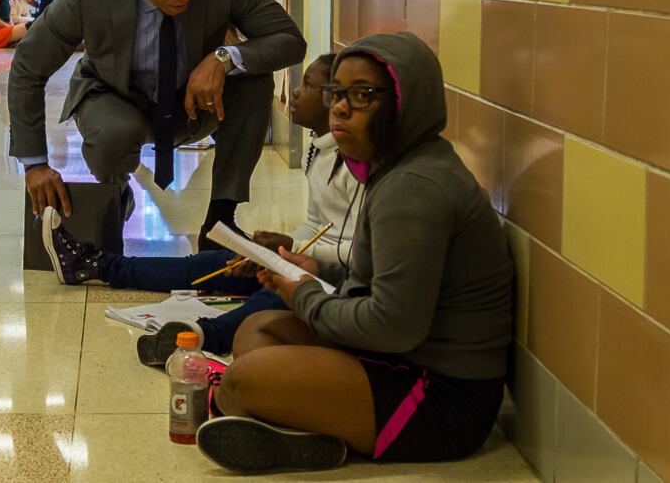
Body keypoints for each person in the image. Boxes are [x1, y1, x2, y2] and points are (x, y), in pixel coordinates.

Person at [194, 32, 514, 475]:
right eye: (337, 93)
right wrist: (315, 268)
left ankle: (319, 435)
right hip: (404, 359)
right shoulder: (402, 168)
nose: (340, 108)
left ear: (405, 103)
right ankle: (315, 436)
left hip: (441, 400)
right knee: (257, 330)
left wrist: (305, 292)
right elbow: (384, 286)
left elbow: (391, 327)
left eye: (363, 96)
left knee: (242, 380)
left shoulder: (413, 189)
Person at [9, 0, 306, 250]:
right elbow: (28, 66)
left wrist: (223, 58)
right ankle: (116, 193)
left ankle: (221, 220)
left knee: (254, 80)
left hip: (191, 103)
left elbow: (289, 39)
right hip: (115, 96)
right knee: (115, 133)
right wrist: (35, 165)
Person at [40, 54, 361, 362]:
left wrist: (294, 254)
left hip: (341, 281)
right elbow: (316, 224)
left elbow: (362, 254)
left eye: (307, 85)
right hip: (308, 263)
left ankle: (205, 335)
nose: (294, 91)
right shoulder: (319, 150)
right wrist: (280, 250)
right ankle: (96, 265)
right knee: (214, 264)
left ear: (335, 102)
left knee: (275, 296)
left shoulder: (357, 165)